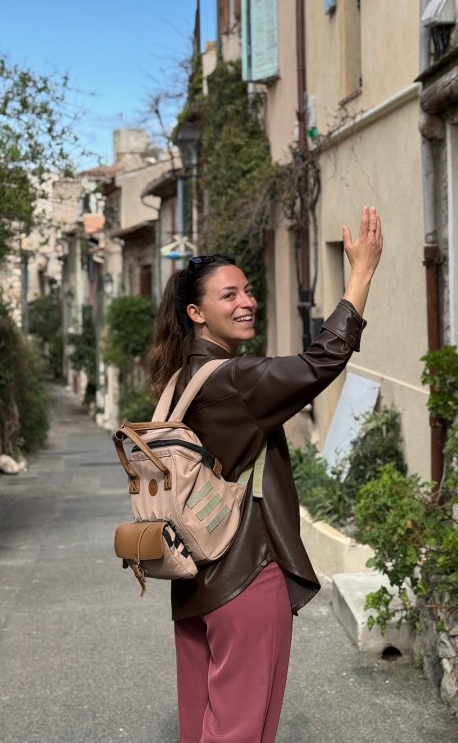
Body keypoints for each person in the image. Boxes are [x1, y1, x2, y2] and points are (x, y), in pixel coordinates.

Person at [147, 205, 383, 743]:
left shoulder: (180, 380)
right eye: (228, 295)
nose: (247, 301)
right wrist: (362, 273)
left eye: (247, 290)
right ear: (196, 313)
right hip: (246, 574)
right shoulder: (234, 379)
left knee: (204, 724)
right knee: (243, 729)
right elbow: (322, 361)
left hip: (193, 576)